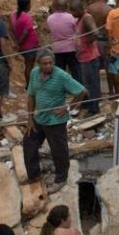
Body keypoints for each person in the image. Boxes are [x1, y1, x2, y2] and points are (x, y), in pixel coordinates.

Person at [24, 50, 87, 194]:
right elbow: (31, 96)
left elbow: (82, 91)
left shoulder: (61, 76)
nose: (48, 66)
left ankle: (61, 179)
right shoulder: (34, 73)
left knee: (59, 151)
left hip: (55, 121)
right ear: (38, 64)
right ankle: (34, 175)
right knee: (28, 143)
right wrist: (30, 119)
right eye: (44, 63)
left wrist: (67, 107)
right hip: (39, 118)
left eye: (50, 63)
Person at [74, 1, 103, 116]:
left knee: (91, 83)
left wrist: (86, 43)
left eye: (74, 10)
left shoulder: (87, 18)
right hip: (84, 56)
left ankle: (94, 108)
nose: (72, 13)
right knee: (87, 82)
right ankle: (88, 104)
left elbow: (96, 33)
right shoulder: (80, 19)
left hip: (89, 56)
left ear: (81, 8)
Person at [48, 0, 82, 83]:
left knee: (60, 72)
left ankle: (61, 88)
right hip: (71, 48)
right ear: (66, 6)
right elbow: (77, 31)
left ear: (55, 6)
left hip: (57, 49)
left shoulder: (50, 18)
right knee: (76, 72)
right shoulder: (71, 17)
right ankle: (77, 88)